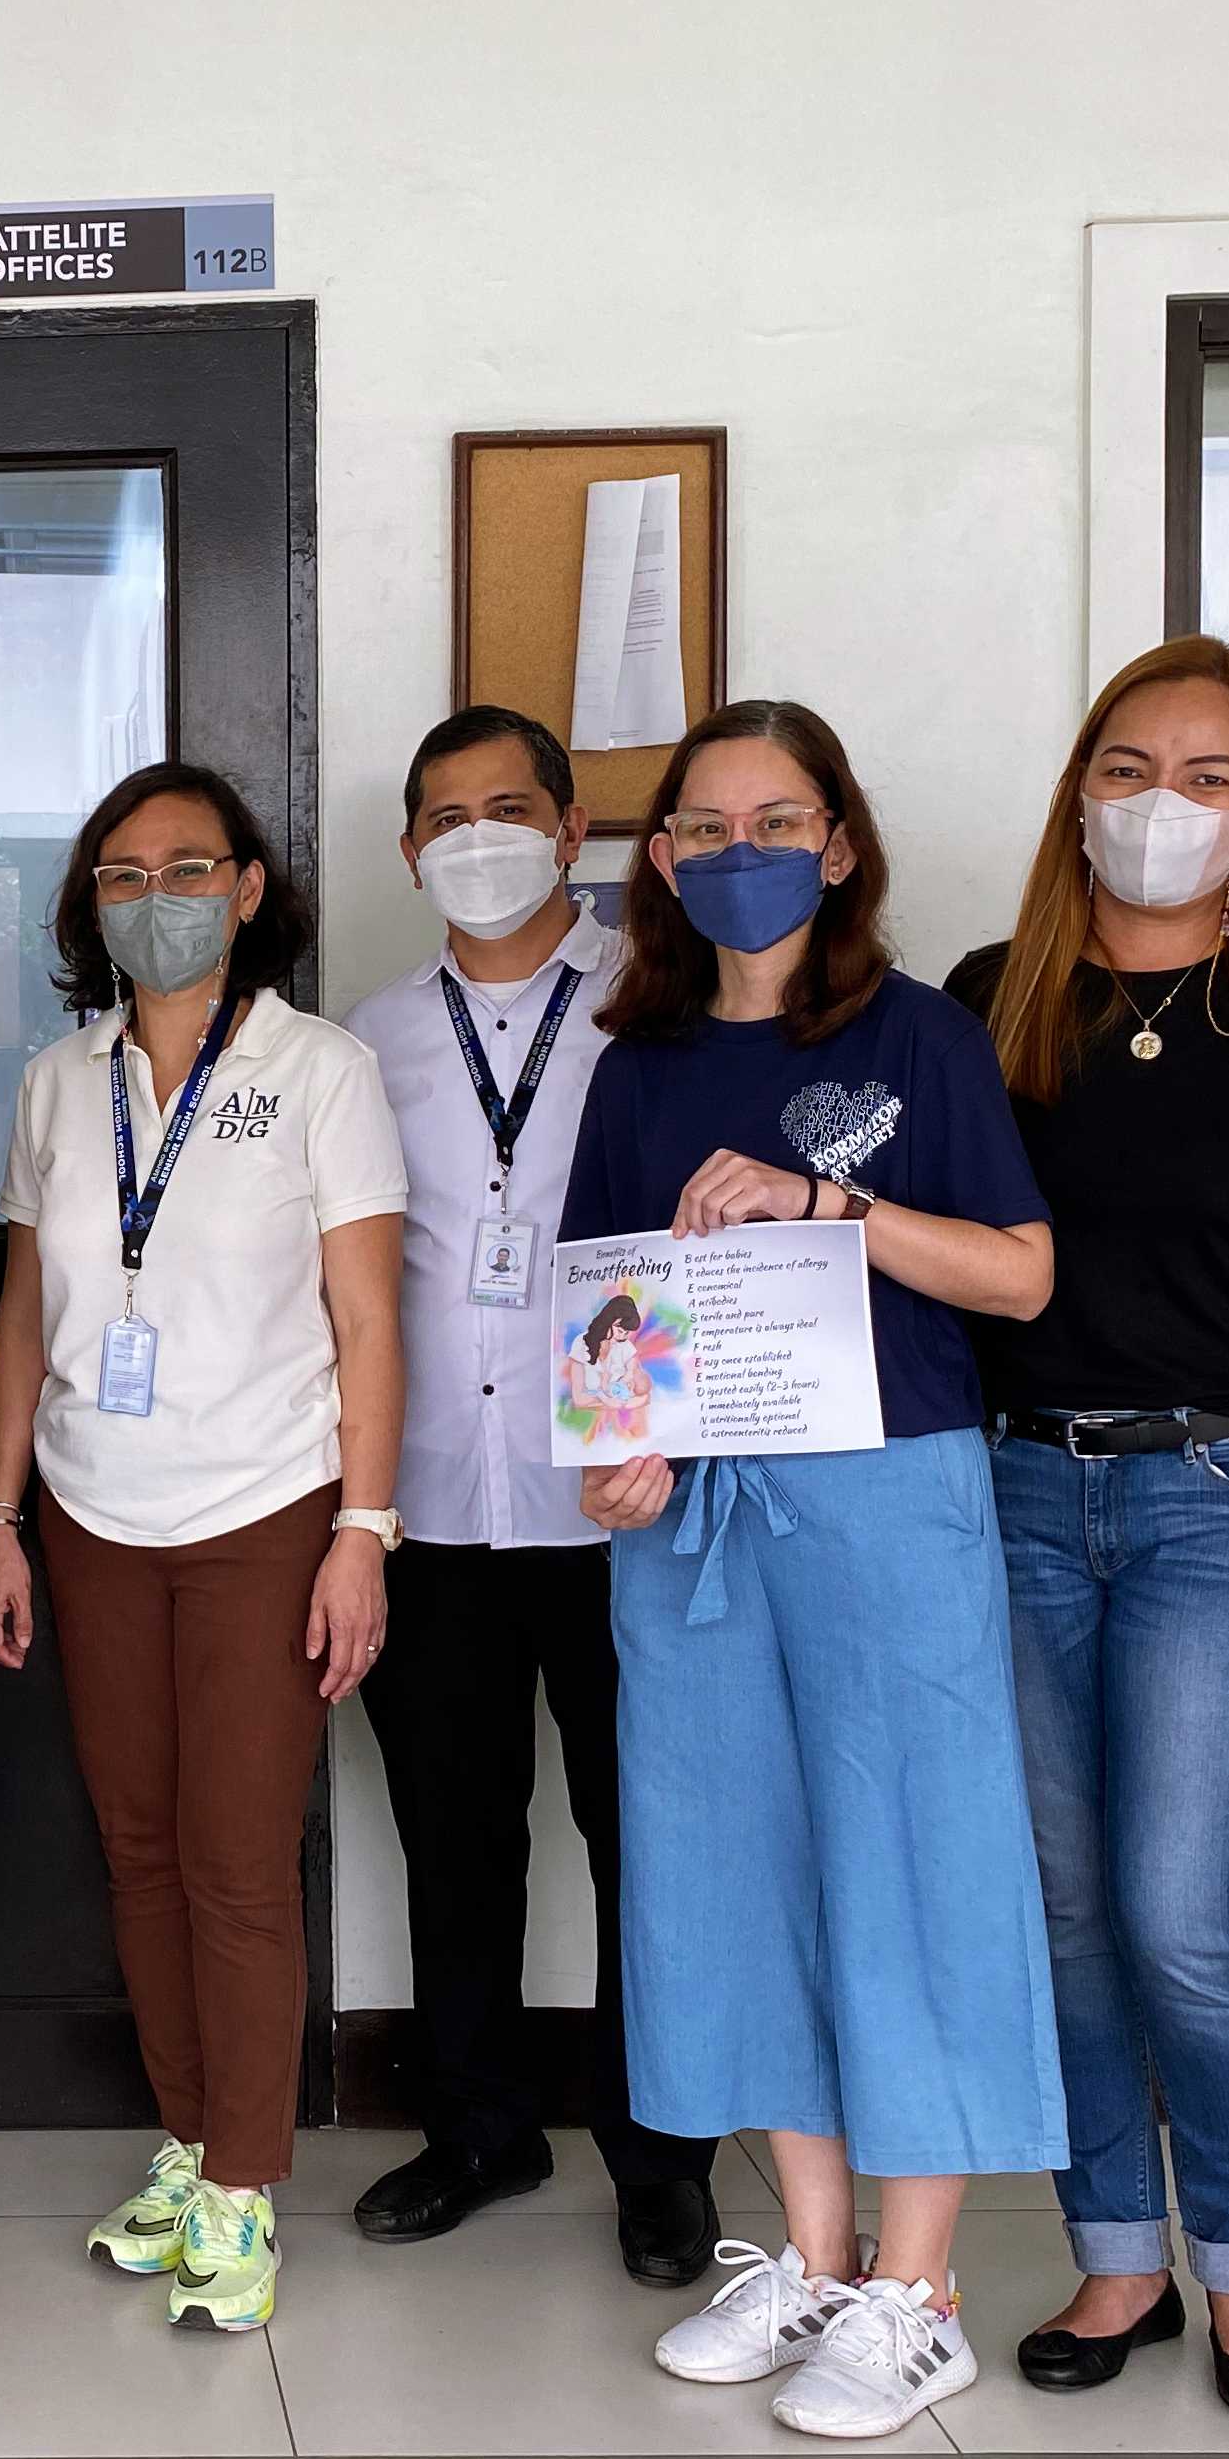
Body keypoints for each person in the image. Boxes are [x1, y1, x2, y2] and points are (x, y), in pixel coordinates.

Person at [562, 698, 1064, 2440]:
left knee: (905, 1862)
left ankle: (921, 2291)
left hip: (885, 1504)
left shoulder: (919, 1041)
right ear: (664, 859)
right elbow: (609, 1314)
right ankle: (819, 2257)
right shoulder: (633, 1069)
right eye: (705, 826)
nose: (740, 852)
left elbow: (1016, 1280)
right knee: (732, 1872)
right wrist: (615, 1455)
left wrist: (824, 1206)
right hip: (698, 1527)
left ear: (840, 844)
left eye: (778, 820)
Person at [946, 637, 1229, 2428]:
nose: (1164, 806)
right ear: (1080, 786)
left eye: (1210, 779)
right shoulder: (998, 995)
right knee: (1063, 1908)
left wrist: (1215, 1306)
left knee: (1182, 1910)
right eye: (1131, 768)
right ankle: (1115, 2251)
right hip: (1022, 1480)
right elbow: (952, 1247)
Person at [0, 761, 407, 2336]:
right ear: (90, 903)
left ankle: (246, 2183)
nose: (154, 898)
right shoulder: (56, 1081)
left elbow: (369, 1318)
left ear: (246, 889)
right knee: (139, 1852)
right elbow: (28, 1315)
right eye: (122, 874)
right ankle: (187, 2146)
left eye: (186, 869)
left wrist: (363, 1531)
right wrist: (1, 1520)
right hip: (91, 1512)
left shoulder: (320, 1072)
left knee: (236, 1864)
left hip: (265, 1514)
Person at [339, 706, 721, 2281]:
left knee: (647, 1832)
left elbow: (701, 1248)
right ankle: (479, 2127)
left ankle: (662, 2154)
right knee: (453, 1830)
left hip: (617, 1493)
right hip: (431, 1500)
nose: (478, 839)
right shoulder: (368, 1036)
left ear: (575, 833)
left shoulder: (662, 1010)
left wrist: (672, 1440)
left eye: (512, 809)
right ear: (411, 847)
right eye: (446, 815)